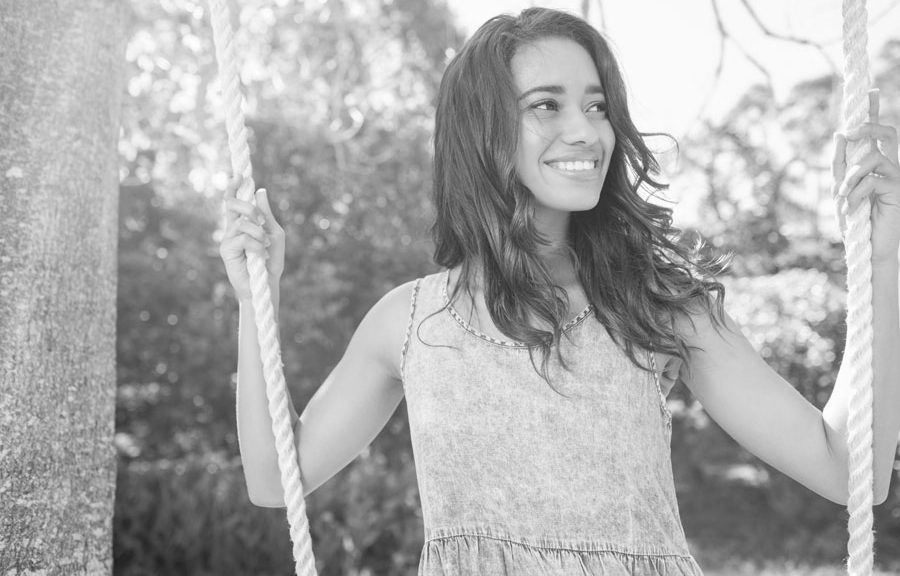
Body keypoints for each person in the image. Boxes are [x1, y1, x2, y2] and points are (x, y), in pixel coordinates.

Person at [218, 7, 900, 575]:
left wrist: (884, 256)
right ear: (482, 131)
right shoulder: (409, 321)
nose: (587, 130)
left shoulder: (656, 305)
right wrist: (258, 302)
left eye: (597, 106)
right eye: (546, 105)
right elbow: (276, 480)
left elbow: (848, 470)